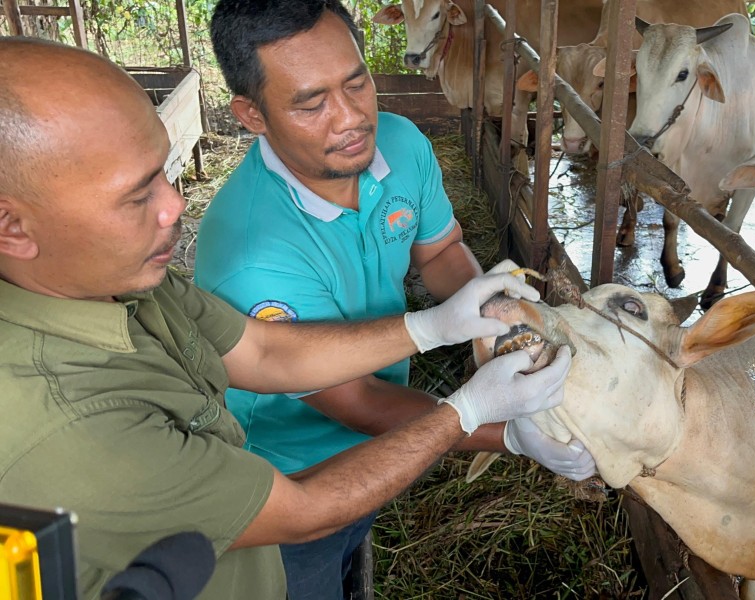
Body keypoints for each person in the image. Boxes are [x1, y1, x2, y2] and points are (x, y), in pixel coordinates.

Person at [0, 37, 574, 600]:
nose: (175, 206)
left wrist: (430, 327)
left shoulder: (125, 284)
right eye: (135, 195)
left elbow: (267, 352)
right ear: (11, 228)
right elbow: (303, 511)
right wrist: (478, 417)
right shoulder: (66, 418)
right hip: (284, 512)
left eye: (165, 171)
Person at [194, 2, 595, 596]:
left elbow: (438, 252)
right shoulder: (253, 255)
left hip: (389, 437)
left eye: (357, 83)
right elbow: (354, 400)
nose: (351, 117)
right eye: (311, 103)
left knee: (358, 551)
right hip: (291, 473)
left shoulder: (402, 146)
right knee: (309, 572)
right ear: (252, 114)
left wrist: (498, 321)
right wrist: (504, 430)